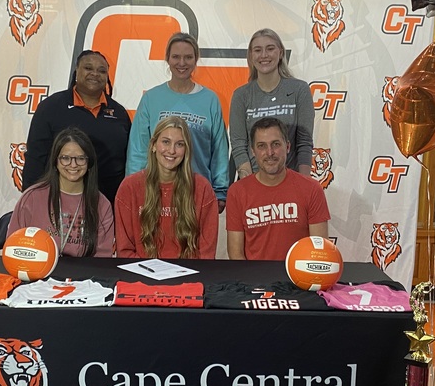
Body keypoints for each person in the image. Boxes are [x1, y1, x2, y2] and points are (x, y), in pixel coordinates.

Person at [126, 32, 230, 211]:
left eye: (188, 57)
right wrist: (134, 188)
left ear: (196, 60)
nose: (182, 63)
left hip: (197, 193)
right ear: (167, 58)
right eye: (176, 57)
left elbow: (219, 149)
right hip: (156, 193)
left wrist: (220, 191)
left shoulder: (210, 99)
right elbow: (138, 148)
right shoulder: (151, 98)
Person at [22, 50, 131, 205]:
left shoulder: (119, 113)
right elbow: (35, 158)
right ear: (76, 71)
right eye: (88, 68)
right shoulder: (51, 107)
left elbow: (128, 158)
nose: (95, 74)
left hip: (108, 203)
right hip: (58, 201)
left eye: (101, 71)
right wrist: (30, 200)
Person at [226, 117, 329, 261]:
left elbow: (320, 252)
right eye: (261, 146)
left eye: (275, 144)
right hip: (254, 275)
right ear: (253, 151)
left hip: (299, 274)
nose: (269, 153)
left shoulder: (311, 189)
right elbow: (236, 255)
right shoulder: (237, 192)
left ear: (287, 147)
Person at [115, 116, 218, 259]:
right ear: (153, 145)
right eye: (166, 142)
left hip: (189, 272)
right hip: (141, 271)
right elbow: (125, 251)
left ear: (186, 150)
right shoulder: (129, 188)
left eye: (180, 144)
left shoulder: (202, 188)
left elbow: (206, 254)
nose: (171, 151)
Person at [7, 127, 114, 257]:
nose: (73, 165)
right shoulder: (32, 198)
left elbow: (102, 259)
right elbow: (13, 247)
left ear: (89, 162)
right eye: (65, 158)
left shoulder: (102, 204)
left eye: (80, 158)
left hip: (85, 271)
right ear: (55, 161)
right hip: (37, 269)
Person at [229, 28, 314, 179]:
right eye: (258, 50)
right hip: (255, 181)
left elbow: (304, 143)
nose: (264, 55)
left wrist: (304, 184)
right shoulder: (241, 95)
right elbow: (239, 145)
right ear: (251, 56)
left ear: (280, 53)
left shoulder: (299, 90)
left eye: (270, 49)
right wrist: (249, 185)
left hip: (291, 181)